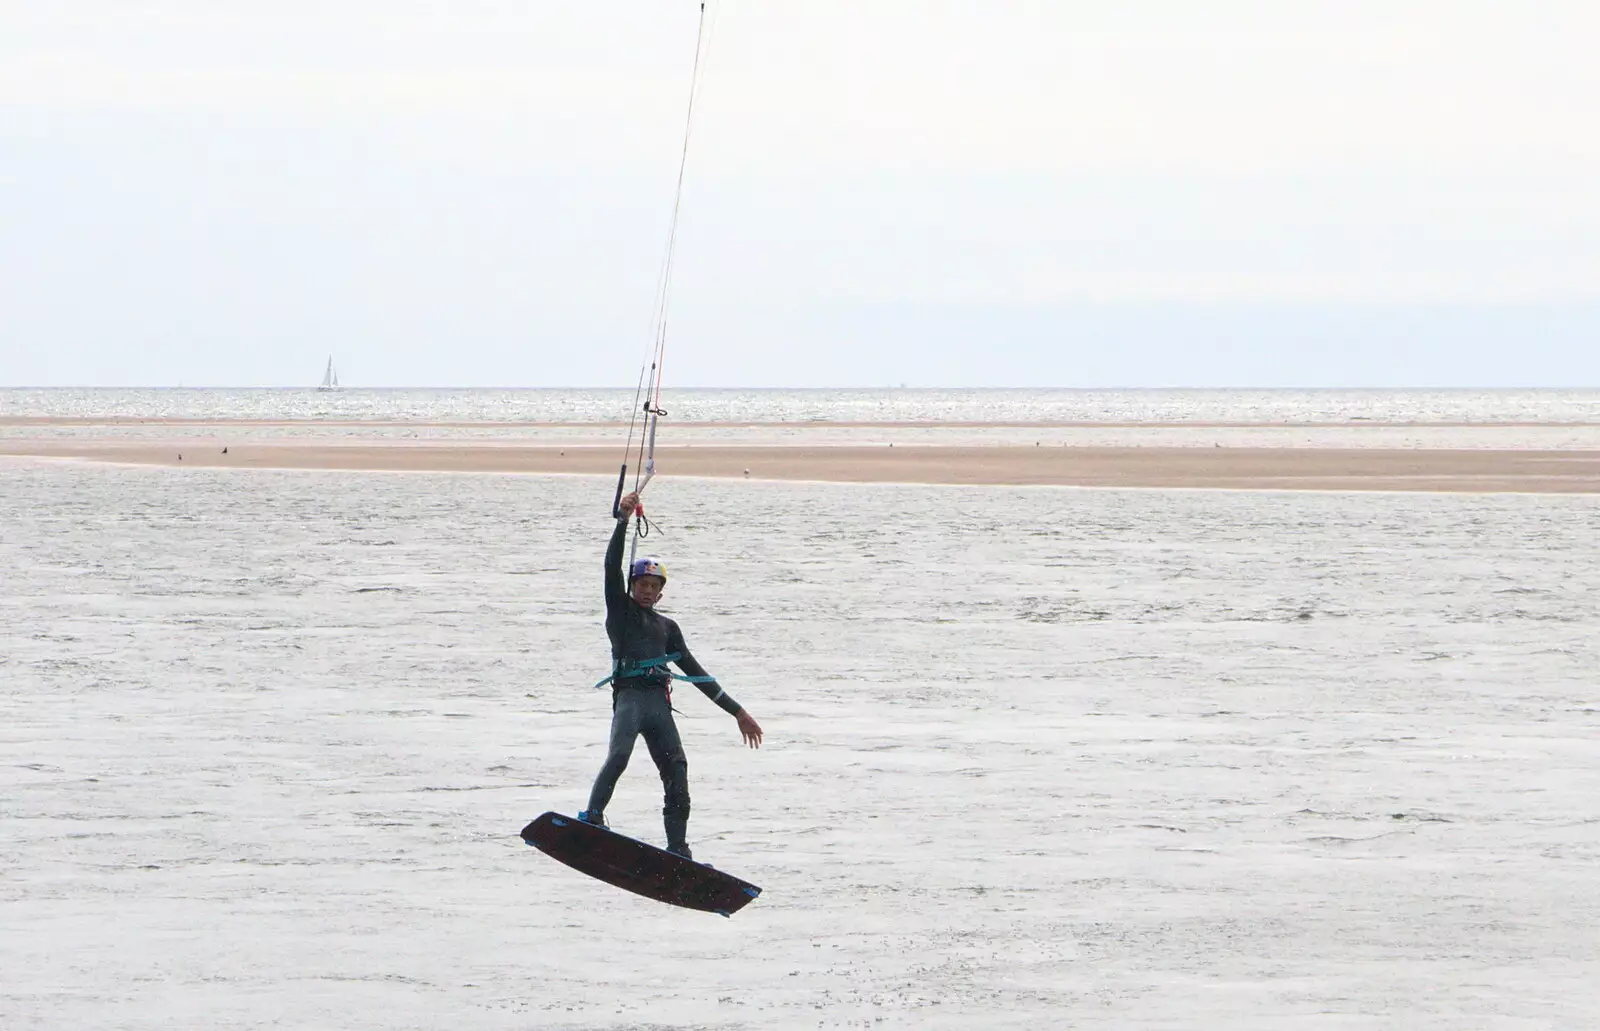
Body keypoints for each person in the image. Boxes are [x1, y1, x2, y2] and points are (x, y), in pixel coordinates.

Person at [579, 490, 762, 860]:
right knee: (619, 755)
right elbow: (610, 567)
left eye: (653, 588)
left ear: (660, 594)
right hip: (630, 698)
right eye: (641, 586)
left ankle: (678, 848)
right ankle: (593, 817)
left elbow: (696, 673)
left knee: (677, 771)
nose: (646, 592)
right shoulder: (620, 611)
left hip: (658, 704)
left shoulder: (668, 627)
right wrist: (622, 522)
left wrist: (737, 711)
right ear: (632, 587)